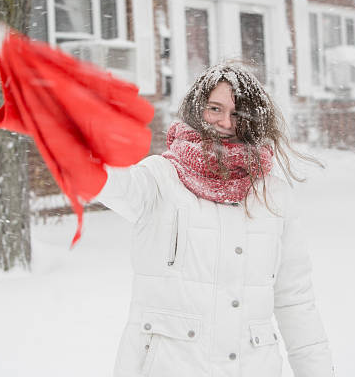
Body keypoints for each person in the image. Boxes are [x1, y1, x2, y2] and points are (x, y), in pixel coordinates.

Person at [96, 62, 334, 377]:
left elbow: (295, 301)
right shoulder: (159, 179)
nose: (225, 122)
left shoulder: (274, 196)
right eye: (215, 108)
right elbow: (104, 180)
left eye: (237, 113)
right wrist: (73, 130)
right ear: (198, 108)